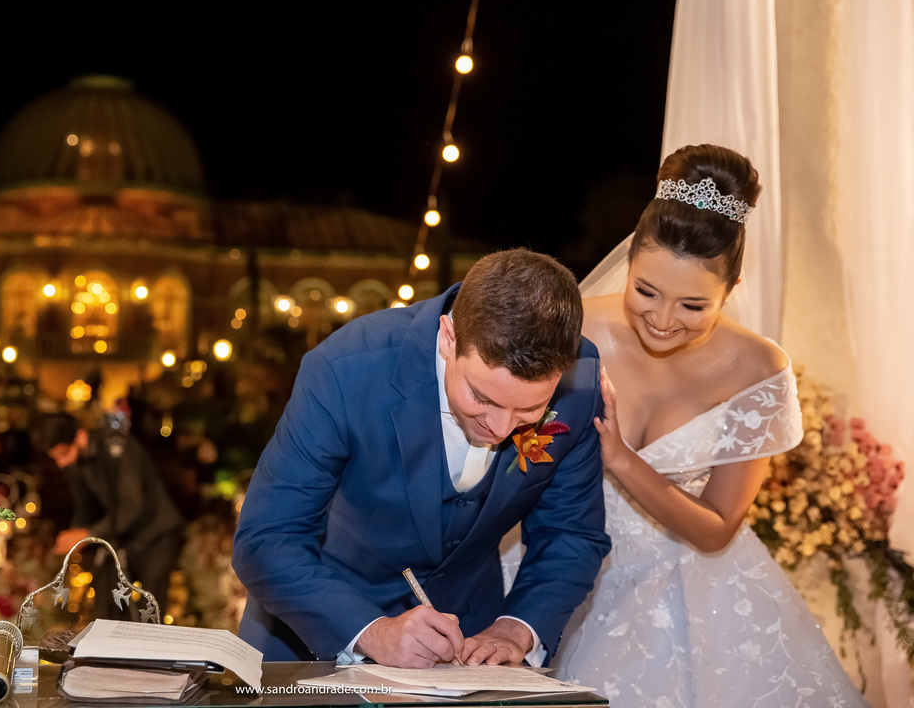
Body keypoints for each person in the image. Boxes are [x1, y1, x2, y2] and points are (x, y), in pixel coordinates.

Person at [552, 144, 867, 706]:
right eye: (645, 291)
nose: (663, 319)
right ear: (629, 262)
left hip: (688, 594)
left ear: (730, 291)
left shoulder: (758, 369)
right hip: (561, 563)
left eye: (694, 306)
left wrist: (621, 459)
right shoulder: (572, 330)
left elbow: (718, 527)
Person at [232, 249, 611, 668]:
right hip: (313, 639)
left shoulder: (582, 384)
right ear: (449, 338)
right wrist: (371, 631)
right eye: (481, 397)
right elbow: (267, 538)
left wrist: (515, 627)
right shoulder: (346, 370)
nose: (503, 429)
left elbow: (571, 534)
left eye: (528, 411)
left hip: (468, 649)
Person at [47, 402, 185, 620]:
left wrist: (87, 535)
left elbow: (132, 505)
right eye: (55, 457)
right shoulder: (73, 463)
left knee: (150, 610)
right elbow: (85, 505)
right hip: (121, 537)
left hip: (156, 535)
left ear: (80, 436)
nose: (61, 463)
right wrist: (75, 535)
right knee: (110, 604)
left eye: (64, 453)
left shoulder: (117, 448)